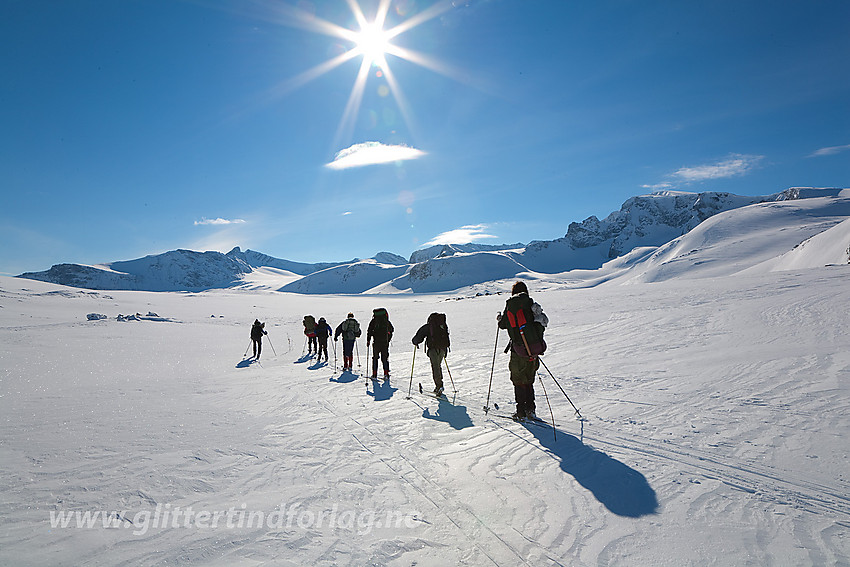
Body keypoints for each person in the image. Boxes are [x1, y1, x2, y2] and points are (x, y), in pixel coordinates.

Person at [497, 281, 548, 421]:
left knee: (518, 380)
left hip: (517, 350)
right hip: (533, 350)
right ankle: (531, 410)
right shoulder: (531, 305)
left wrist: (500, 319)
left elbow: (503, 325)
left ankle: (520, 412)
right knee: (529, 380)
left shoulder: (510, 307)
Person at [412, 313, 450, 395]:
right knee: (438, 366)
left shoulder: (429, 326)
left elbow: (419, 336)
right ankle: (439, 384)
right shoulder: (442, 325)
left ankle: (439, 386)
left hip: (433, 350)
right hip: (443, 349)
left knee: (435, 367)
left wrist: (415, 342)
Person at [367, 307, 394, 379]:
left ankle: (374, 374)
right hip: (385, 342)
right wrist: (388, 339)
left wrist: (368, 340)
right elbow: (392, 329)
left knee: (375, 358)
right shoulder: (386, 321)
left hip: (376, 342)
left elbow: (369, 330)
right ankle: (386, 374)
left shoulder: (374, 321)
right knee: (384, 358)